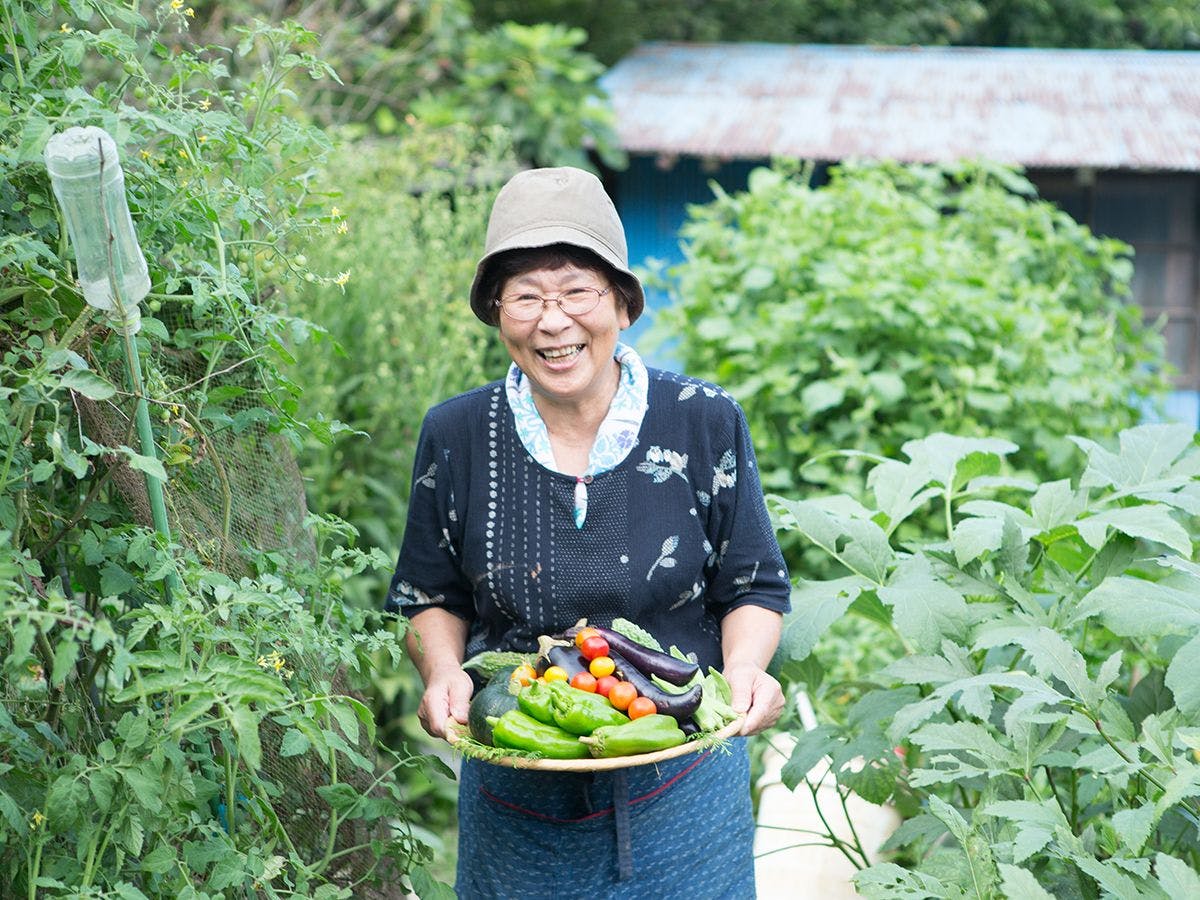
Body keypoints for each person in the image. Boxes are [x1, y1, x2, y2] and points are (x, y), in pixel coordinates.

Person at [386, 166, 791, 898]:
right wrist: (443, 672)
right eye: (526, 296)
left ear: (622, 304)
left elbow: (754, 584)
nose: (553, 321)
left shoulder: (703, 419)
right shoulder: (457, 434)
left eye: (577, 291)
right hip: (518, 799)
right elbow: (429, 593)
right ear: (497, 312)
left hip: (686, 790)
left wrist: (746, 671)